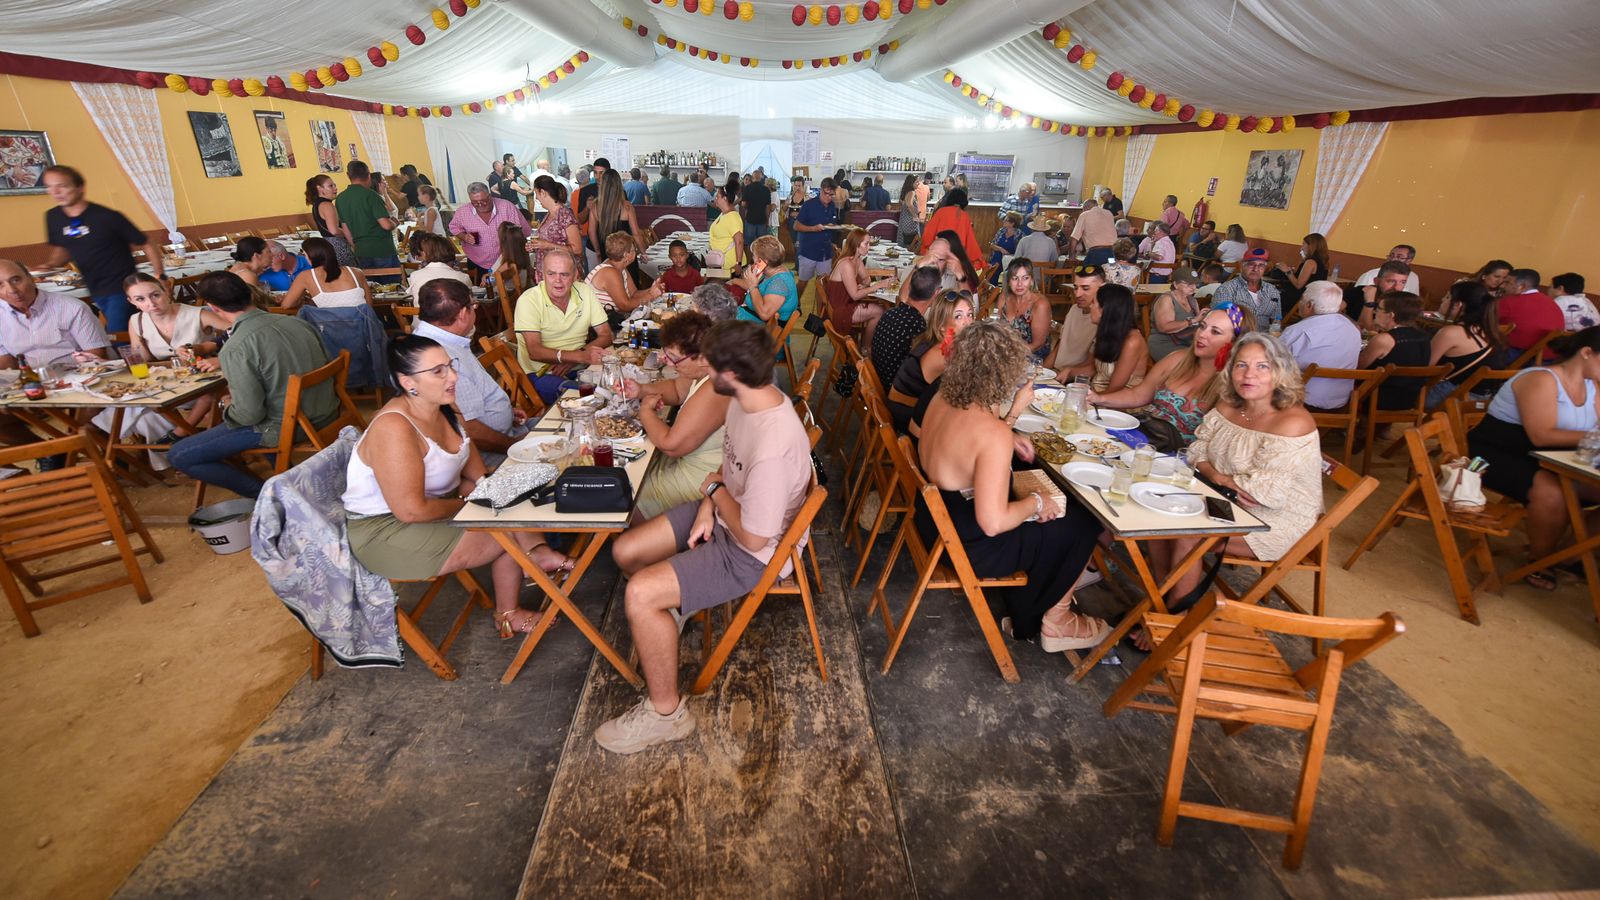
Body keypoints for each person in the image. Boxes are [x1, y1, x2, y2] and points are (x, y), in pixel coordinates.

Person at [597, 321, 813, 753]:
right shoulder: (746, 400)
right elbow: (723, 472)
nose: (701, 371)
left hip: (752, 551)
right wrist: (710, 504)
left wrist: (712, 494)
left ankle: (666, 713)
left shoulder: (773, 443)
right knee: (624, 549)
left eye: (709, 364)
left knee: (639, 593)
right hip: (725, 514)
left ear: (729, 373)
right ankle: (669, 613)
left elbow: (754, 539)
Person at [343, 334, 569, 638]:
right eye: (438, 371)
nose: (453, 376)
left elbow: (478, 473)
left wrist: (490, 490)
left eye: (450, 366)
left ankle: (535, 556)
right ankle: (515, 598)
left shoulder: (443, 407)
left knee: (518, 495)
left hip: (434, 508)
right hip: (386, 532)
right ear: (407, 381)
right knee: (505, 528)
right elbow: (411, 510)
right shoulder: (394, 428)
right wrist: (475, 504)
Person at [917, 321, 1108, 650]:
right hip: (968, 544)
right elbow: (993, 523)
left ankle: (1044, 602)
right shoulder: (991, 433)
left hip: (931, 522)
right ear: (1003, 374)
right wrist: (1036, 502)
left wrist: (1009, 428)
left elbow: (971, 447)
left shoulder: (943, 396)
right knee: (1082, 522)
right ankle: (1054, 620)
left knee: (1060, 511)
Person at [1157, 333, 1322, 600]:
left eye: (1262, 366)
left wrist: (1212, 473)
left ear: (1281, 372)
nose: (1249, 375)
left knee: (1184, 533)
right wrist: (1218, 477)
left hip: (1274, 519)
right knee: (1158, 513)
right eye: (1241, 365)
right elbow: (1196, 449)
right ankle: (1161, 600)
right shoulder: (1229, 404)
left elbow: (1260, 495)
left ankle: (1176, 613)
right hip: (1221, 496)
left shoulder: (1293, 422)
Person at [168, 272, 335, 499]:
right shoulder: (297, 322)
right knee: (266, 405)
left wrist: (227, 405)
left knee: (179, 454)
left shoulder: (236, 347)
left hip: (285, 425)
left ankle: (269, 496)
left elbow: (249, 415)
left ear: (213, 308)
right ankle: (285, 481)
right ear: (249, 293)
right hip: (326, 410)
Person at [1468, 327, 1600, 590]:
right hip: (1486, 458)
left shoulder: (1592, 387)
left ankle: (1570, 555)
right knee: (1553, 492)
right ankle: (1540, 562)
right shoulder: (1541, 379)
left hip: (1547, 460)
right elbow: (1541, 435)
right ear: (1586, 353)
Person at [622, 311, 732, 520]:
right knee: (629, 469)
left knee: (626, 494)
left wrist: (646, 412)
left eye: (674, 359)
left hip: (704, 478)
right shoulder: (706, 368)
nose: (669, 364)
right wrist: (641, 390)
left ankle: (641, 539)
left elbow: (672, 445)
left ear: (701, 357)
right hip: (690, 462)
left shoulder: (715, 387)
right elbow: (677, 389)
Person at [1091, 303, 1253, 445]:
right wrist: (1097, 398)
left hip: (1176, 460)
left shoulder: (1232, 385)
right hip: (1141, 438)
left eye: (1215, 332)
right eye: (1202, 326)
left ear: (1234, 342)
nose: (1202, 334)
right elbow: (1138, 394)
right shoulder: (1178, 359)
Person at [97, 273, 224, 451]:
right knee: (137, 405)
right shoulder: (137, 321)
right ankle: (173, 448)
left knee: (202, 397)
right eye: (140, 299)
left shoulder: (197, 314)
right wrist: (109, 361)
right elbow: (143, 362)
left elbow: (239, 332)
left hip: (206, 379)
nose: (150, 304)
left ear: (166, 290)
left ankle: (178, 436)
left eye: (155, 295)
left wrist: (208, 348)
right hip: (171, 385)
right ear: (132, 302)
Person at [41, 165, 162, 333]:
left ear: (80, 187)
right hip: (94, 287)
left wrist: (159, 276)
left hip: (122, 286)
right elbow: (64, 248)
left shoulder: (107, 216)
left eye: (62, 185)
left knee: (117, 334)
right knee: (129, 331)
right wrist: (49, 265)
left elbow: (146, 242)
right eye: (49, 186)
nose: (55, 192)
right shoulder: (53, 217)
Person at [412, 280, 523, 459]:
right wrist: (515, 446)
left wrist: (505, 411)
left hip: (504, 434)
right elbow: (470, 430)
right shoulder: (441, 358)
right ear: (464, 313)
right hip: (489, 453)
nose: (474, 310)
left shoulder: (441, 340)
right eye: (473, 306)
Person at [513, 249, 613, 404]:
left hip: (580, 366)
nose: (557, 280)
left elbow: (606, 335)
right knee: (590, 398)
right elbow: (534, 351)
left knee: (614, 387)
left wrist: (574, 358)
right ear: (541, 275)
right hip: (541, 373)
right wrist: (578, 356)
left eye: (564, 274)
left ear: (574, 276)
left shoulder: (584, 291)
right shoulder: (528, 300)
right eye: (551, 274)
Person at [887, 290, 974, 432]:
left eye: (970, 314)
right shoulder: (941, 354)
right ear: (941, 325)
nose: (968, 322)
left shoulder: (933, 341)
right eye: (958, 316)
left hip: (909, 411)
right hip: (907, 421)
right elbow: (967, 391)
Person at [1281, 281, 1363, 410]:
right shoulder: (1352, 328)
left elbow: (1273, 362)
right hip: (1341, 401)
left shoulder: (1298, 331)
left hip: (1301, 400)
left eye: (1302, 299)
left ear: (1309, 305)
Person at [1427, 280, 1507, 408]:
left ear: (1458, 304)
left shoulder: (1451, 332)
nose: (1443, 300)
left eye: (1447, 297)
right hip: (1481, 402)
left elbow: (1426, 368)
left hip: (1452, 399)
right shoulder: (1491, 331)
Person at [1057, 282, 1147, 393]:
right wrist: (1070, 371)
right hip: (1096, 393)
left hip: (1117, 404)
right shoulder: (1107, 331)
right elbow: (1096, 369)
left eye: (1094, 302)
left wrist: (1084, 398)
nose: (1090, 306)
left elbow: (1114, 389)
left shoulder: (1132, 342)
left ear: (1105, 309)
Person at [870, 266, 944, 390]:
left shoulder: (889, 313)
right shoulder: (918, 329)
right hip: (894, 395)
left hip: (876, 385)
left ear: (910, 288)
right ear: (937, 293)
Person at [1360, 291, 1431, 411]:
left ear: (1390, 315)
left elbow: (1358, 367)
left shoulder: (1385, 340)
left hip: (1375, 399)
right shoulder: (1424, 337)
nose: (1375, 311)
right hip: (1408, 400)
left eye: (1379, 308)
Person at [825, 228, 896, 347]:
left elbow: (867, 278)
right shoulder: (846, 264)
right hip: (840, 308)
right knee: (879, 311)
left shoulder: (856, 260)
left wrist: (864, 285)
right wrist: (878, 285)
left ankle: (867, 345)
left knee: (881, 308)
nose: (869, 247)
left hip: (848, 302)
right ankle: (866, 349)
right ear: (856, 245)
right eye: (866, 243)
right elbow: (855, 295)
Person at [448, 181, 526, 282]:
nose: (480, 204)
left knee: (509, 292)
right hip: (477, 261)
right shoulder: (462, 211)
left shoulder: (506, 207)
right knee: (481, 293)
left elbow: (519, 231)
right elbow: (454, 227)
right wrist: (464, 236)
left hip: (506, 260)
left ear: (489, 196)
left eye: (483, 200)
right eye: (475, 202)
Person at [334, 161, 399, 270]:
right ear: (368, 175)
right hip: (382, 248)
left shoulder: (340, 198)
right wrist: (395, 222)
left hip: (361, 250)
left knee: (371, 285)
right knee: (391, 285)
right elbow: (386, 225)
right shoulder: (372, 195)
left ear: (348, 175)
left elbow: (345, 229)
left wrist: (355, 247)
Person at [280, 237, 372, 311]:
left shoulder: (305, 276)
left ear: (310, 256)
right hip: (363, 328)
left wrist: (303, 295)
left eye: (304, 254)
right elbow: (369, 306)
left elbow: (286, 305)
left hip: (330, 331)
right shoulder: (356, 272)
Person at [588, 232, 663, 322]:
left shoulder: (619, 267)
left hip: (612, 319)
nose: (635, 251)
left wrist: (651, 289)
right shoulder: (610, 272)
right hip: (601, 324)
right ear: (626, 255)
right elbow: (624, 306)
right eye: (634, 249)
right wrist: (651, 295)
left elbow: (633, 294)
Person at [994, 258, 1053, 365]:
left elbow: (1037, 344)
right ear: (1008, 281)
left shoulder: (1040, 304)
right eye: (1015, 278)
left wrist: (1009, 354)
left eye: (1025, 278)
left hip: (1032, 356)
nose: (1020, 284)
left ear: (1031, 280)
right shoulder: (1004, 298)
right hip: (1005, 352)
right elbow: (995, 328)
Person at [1498, 268, 1565, 359]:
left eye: (1507, 283)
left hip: (1523, 356)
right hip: (1550, 358)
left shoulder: (1510, 301)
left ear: (1521, 287)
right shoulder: (1551, 302)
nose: (1502, 286)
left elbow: (1485, 322)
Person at [793, 177, 841, 304]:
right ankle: (795, 304)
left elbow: (832, 224)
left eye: (832, 194)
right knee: (803, 281)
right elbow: (796, 226)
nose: (829, 197)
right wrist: (813, 228)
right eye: (826, 193)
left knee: (823, 285)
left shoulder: (832, 206)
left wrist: (833, 226)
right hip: (808, 251)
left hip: (825, 253)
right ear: (820, 190)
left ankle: (821, 313)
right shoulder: (809, 205)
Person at [733, 235, 799, 326]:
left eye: (754, 256)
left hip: (762, 331)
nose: (753, 259)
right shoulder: (770, 272)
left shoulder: (779, 283)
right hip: (750, 321)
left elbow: (764, 314)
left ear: (764, 261)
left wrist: (753, 287)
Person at [1050, 264, 1105, 372]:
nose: (1077, 294)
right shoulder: (1074, 309)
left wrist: (1067, 373)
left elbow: (1092, 366)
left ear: (1102, 288)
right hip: (1055, 372)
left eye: (1085, 288)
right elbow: (1059, 347)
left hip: (1075, 379)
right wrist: (1041, 371)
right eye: (1075, 288)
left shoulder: (1102, 319)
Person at [529, 175, 583, 284]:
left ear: (543, 192)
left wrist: (547, 245)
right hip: (549, 273)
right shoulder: (549, 214)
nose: (536, 198)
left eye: (536, 194)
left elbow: (577, 249)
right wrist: (536, 246)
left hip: (562, 275)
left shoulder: (564, 214)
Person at [586, 170, 641, 270]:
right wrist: (642, 251)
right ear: (619, 185)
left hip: (606, 252)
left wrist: (598, 250)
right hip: (626, 253)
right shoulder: (627, 206)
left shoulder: (595, 206)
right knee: (629, 283)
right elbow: (636, 232)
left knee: (609, 282)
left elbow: (591, 232)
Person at [1214, 248, 1282, 327]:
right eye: (1251, 264)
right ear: (1242, 265)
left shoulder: (1272, 290)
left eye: (1261, 265)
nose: (1256, 269)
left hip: (1264, 336)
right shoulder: (1226, 289)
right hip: (1238, 336)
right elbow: (1219, 320)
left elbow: (1276, 320)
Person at [1148, 267, 1204, 361]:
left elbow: (1198, 323)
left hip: (1187, 343)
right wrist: (1193, 320)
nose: (1194, 287)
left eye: (1195, 284)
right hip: (1165, 343)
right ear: (1175, 284)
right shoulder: (1167, 299)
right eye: (1189, 284)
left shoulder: (1193, 300)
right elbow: (1164, 327)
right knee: (1193, 362)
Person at [919, 187, 982, 265]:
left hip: (937, 256)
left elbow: (927, 235)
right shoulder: (964, 216)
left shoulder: (941, 212)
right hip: (956, 259)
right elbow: (970, 242)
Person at [306, 174, 357, 267]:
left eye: (335, 185)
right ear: (320, 188)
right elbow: (334, 231)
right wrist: (350, 235)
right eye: (330, 186)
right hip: (337, 245)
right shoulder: (327, 205)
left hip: (328, 245)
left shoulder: (317, 204)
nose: (335, 188)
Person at [406, 233, 471, 304]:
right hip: (453, 314)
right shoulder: (463, 277)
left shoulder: (415, 276)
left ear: (426, 254)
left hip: (423, 314)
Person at [1274, 232, 1329, 310]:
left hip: (1298, 300)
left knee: (1267, 296)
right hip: (1312, 300)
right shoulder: (1324, 263)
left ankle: (1268, 320)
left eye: (1303, 244)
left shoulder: (1310, 262)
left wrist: (1287, 271)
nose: (1302, 248)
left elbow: (1298, 285)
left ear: (1311, 246)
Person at [1354, 244, 1421, 306]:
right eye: (1391, 255)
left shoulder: (1413, 277)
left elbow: (1414, 301)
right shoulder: (1370, 274)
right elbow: (1357, 298)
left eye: (1399, 257)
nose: (1393, 259)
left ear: (1409, 261)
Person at [1353, 260, 1412, 328]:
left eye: (1402, 282)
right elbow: (1338, 311)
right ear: (1377, 281)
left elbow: (1369, 330)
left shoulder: (1403, 302)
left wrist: (1369, 303)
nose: (1396, 287)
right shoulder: (1360, 291)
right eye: (1391, 281)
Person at [706, 180, 745, 278]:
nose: (715, 199)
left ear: (725, 198)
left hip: (731, 265)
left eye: (717, 197)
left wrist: (738, 263)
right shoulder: (723, 213)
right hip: (721, 263)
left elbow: (739, 241)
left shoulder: (733, 217)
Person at [227, 236, 277, 308]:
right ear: (256, 255)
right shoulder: (248, 275)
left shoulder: (238, 266)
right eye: (268, 251)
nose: (272, 255)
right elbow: (255, 307)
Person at [1069, 198, 1117, 266]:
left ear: (1086, 207)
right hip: (1113, 253)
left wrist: (1072, 256)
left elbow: (1074, 238)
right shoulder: (1109, 213)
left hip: (1096, 253)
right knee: (1110, 274)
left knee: (1085, 274)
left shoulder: (1085, 214)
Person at [493, 220, 535, 294]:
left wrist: (487, 279)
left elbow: (491, 282)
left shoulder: (508, 265)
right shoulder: (525, 258)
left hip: (504, 301)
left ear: (504, 243)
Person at [575, 157, 611, 234]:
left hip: (615, 239)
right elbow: (581, 220)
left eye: (601, 173)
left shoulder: (617, 191)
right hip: (593, 238)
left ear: (608, 174)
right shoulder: (586, 191)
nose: (597, 177)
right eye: (595, 173)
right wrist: (587, 208)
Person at [740, 171, 773, 252]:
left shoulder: (748, 188)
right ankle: (761, 262)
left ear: (752, 178)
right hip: (762, 219)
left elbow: (743, 204)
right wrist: (767, 219)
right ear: (761, 177)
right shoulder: (766, 189)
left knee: (749, 243)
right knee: (762, 244)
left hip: (750, 219)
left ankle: (750, 262)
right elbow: (768, 207)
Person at [987, 212, 1023, 279]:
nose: (1003, 221)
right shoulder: (1001, 231)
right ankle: (992, 288)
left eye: (1006, 220)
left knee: (1010, 277)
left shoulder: (1020, 235)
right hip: (996, 259)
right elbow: (992, 245)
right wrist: (1000, 249)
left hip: (1010, 262)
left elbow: (1020, 252)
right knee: (991, 274)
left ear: (1012, 223)